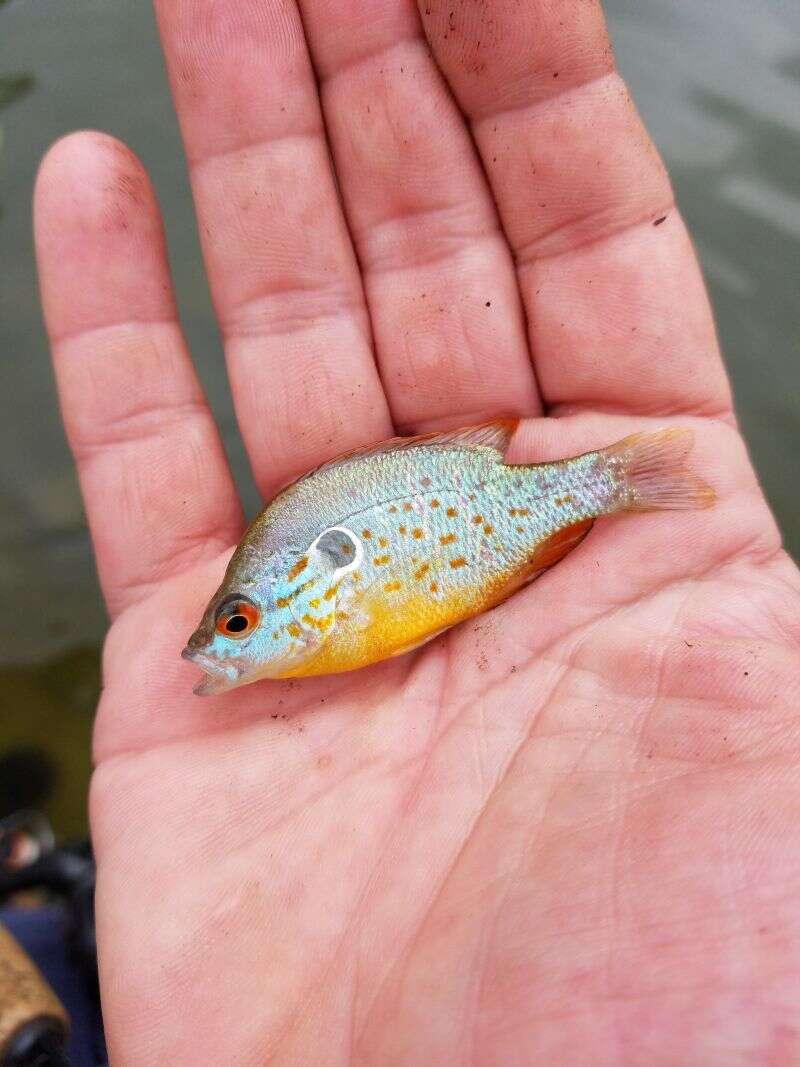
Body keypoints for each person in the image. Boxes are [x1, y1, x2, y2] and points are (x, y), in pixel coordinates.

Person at [32, 1, 800, 1063]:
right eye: (234, 621)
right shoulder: (309, 630)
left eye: (241, 617)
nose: (223, 644)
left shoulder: (332, 616)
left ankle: (613, 483)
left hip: (485, 516)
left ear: (289, 595)